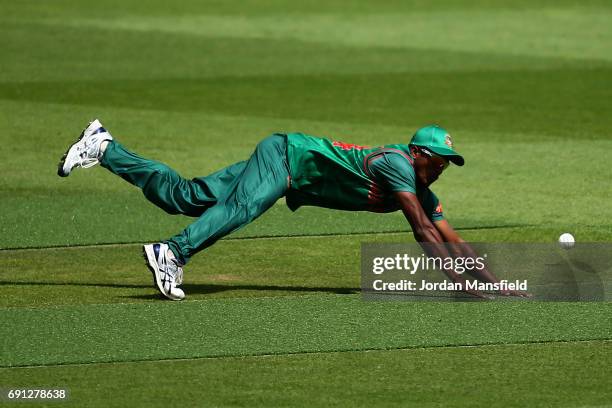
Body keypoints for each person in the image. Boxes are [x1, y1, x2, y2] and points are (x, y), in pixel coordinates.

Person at [58, 120, 529, 300]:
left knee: (185, 197)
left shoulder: (420, 185)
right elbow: (423, 232)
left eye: (450, 162)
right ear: (418, 154)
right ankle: (173, 253)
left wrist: (495, 282)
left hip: (286, 165)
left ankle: (104, 148)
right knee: (242, 208)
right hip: (285, 158)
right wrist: (460, 285)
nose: (445, 167)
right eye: (441, 159)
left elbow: (451, 238)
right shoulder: (397, 167)